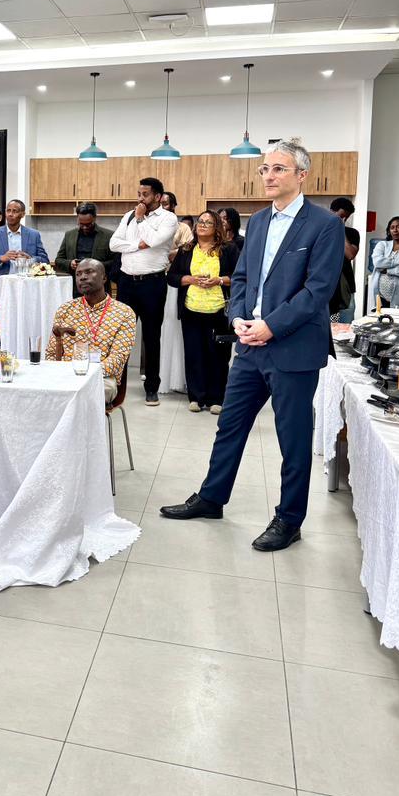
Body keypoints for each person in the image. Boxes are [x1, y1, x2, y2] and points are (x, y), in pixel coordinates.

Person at [159, 140, 345, 552]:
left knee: (292, 439)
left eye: (278, 169)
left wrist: (270, 326)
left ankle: (289, 519)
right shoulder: (257, 222)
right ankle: (211, 497)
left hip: (292, 349)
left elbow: (318, 291)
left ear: (301, 175)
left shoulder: (323, 225)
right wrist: (239, 317)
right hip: (248, 345)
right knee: (230, 426)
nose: (268, 175)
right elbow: (241, 277)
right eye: (264, 169)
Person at [109, 177, 178, 406]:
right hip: (126, 282)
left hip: (152, 283)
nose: (140, 198)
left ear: (157, 197)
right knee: (122, 336)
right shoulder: (128, 215)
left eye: (145, 194)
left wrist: (140, 220)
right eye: (139, 193)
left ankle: (152, 388)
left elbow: (153, 240)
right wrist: (135, 245)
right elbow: (114, 244)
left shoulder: (168, 219)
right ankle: (118, 385)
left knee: (151, 337)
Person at [168, 211, 240, 413]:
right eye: (200, 221)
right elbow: (172, 278)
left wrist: (219, 280)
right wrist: (190, 279)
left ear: (217, 227)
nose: (202, 225)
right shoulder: (186, 249)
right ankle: (196, 397)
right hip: (191, 310)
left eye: (208, 222)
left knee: (218, 355)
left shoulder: (229, 249)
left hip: (219, 311)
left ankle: (216, 398)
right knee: (194, 354)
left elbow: (241, 277)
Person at [46, 259, 136, 403]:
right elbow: (50, 353)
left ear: (104, 278)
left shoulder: (124, 313)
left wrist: (84, 374)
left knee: (85, 394)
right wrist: (60, 374)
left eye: (89, 272)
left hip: (102, 377)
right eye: (78, 274)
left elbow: (118, 358)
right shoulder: (65, 310)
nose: (82, 277)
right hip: (65, 376)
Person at [158, 191, 192, 395]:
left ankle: (178, 377)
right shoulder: (150, 225)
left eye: (166, 204)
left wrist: (166, 254)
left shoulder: (182, 228)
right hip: (154, 279)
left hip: (174, 283)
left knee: (173, 328)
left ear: (173, 206)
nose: (163, 207)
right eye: (160, 204)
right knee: (155, 330)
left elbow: (184, 253)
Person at [0, 199, 49, 293]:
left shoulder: (33, 234)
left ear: (22, 214)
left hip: (27, 286)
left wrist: (31, 258)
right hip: (2, 287)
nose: (10, 214)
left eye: (14, 211)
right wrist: (1, 258)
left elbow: (45, 260)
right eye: (8, 211)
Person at [54, 202, 116, 296]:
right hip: (74, 289)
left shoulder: (108, 236)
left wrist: (94, 266)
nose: (85, 227)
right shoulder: (69, 235)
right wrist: (70, 264)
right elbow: (58, 260)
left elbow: (116, 263)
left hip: (99, 289)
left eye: (88, 224)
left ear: (95, 218)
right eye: (81, 224)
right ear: (77, 219)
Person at [328, 197, 360, 324]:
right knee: (327, 328)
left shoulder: (352, 233)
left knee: (346, 325)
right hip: (325, 286)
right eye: (341, 216)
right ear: (331, 212)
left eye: (346, 218)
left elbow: (350, 254)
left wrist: (340, 229)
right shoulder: (319, 231)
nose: (344, 220)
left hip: (345, 286)